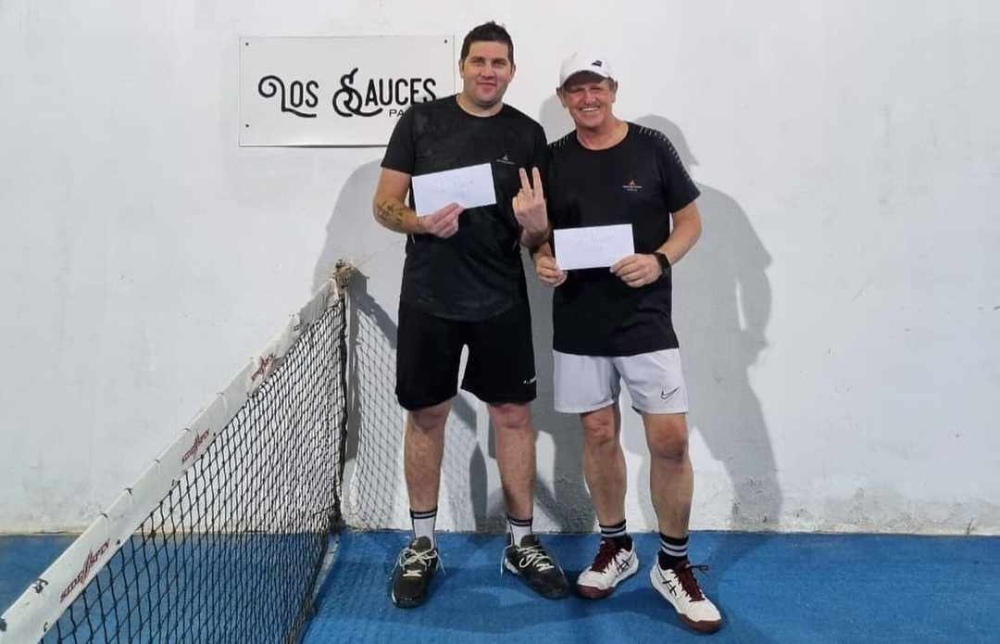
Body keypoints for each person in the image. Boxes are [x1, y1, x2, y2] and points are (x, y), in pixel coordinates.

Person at [371, 21, 568, 608]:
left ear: (512, 70)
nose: (489, 71)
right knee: (427, 415)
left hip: (501, 298)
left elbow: (540, 230)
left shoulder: (529, 135)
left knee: (512, 415)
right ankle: (423, 545)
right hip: (430, 296)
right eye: (479, 61)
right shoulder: (420, 122)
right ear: (462, 66)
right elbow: (384, 205)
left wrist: (541, 239)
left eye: (499, 63)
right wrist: (419, 222)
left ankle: (521, 542)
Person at [531, 52, 723, 633]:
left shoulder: (653, 146)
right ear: (563, 98)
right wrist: (541, 258)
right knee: (597, 431)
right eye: (575, 90)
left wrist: (660, 259)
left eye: (597, 86)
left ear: (613, 89)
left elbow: (690, 220)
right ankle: (616, 547)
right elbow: (539, 238)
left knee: (669, 440)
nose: (588, 98)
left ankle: (674, 563)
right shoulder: (552, 160)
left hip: (645, 321)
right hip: (579, 323)